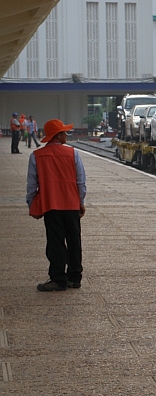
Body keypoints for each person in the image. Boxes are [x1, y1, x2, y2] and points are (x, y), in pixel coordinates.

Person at [26, 119, 87, 292]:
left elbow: (32, 185)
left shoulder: (36, 156)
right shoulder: (73, 153)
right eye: (64, 132)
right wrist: (80, 202)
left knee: (55, 242)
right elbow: (81, 181)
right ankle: (75, 277)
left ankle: (58, 279)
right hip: (71, 204)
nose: (66, 135)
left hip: (51, 205)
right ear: (58, 135)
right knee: (74, 241)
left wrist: (32, 204)